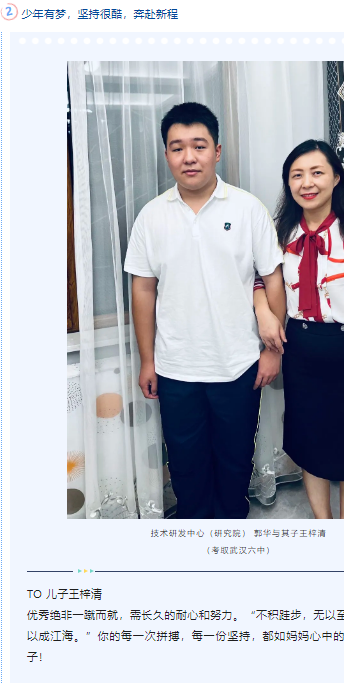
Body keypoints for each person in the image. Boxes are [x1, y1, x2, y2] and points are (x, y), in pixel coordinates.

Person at [124, 102, 286, 519]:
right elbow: (143, 290)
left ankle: (229, 531)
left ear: (217, 151)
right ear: (166, 155)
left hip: (238, 363)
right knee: (185, 463)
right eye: (177, 147)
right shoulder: (151, 216)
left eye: (199, 146)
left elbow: (272, 279)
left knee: (235, 461)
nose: (189, 157)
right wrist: (147, 359)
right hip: (175, 366)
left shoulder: (247, 208)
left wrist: (273, 351)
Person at [254, 139, 344, 519]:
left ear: (336, 177)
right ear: (288, 183)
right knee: (310, 441)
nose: (307, 183)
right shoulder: (281, 231)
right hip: (300, 347)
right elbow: (258, 278)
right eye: (296, 175)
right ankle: (323, 524)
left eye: (317, 172)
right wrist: (263, 311)